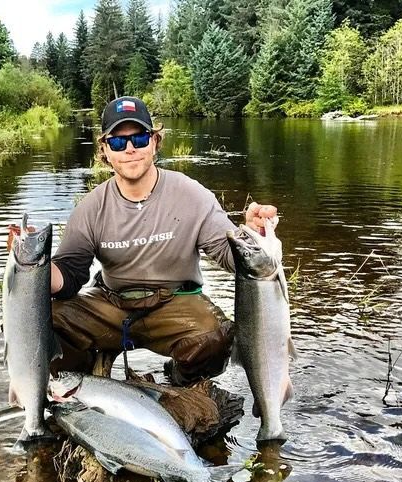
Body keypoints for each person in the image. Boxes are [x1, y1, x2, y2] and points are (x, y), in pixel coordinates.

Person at [49, 96, 277, 385]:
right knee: (45, 320)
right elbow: (70, 273)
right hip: (110, 305)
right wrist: (35, 272)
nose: (130, 149)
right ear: (104, 151)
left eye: (140, 139)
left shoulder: (191, 194)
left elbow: (230, 254)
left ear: (155, 142)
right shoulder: (91, 207)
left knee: (216, 338)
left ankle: (180, 383)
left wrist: (254, 234)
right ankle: (82, 381)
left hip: (175, 304)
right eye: (118, 142)